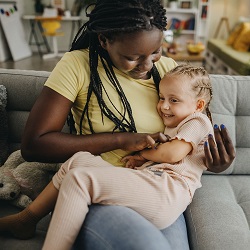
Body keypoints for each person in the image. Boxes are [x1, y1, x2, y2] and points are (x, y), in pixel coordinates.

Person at [0, 0, 235, 249]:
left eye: (155, 51)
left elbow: (195, 131)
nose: (147, 65)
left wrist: (216, 162)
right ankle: (26, 220)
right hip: (106, 185)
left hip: (153, 186)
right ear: (104, 40)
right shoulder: (78, 65)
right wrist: (123, 139)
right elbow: (33, 145)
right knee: (79, 165)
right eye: (132, 57)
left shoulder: (168, 72)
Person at [38, 64, 213, 250]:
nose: (164, 106)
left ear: (199, 105)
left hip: (167, 192)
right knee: (79, 160)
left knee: (80, 179)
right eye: (162, 98)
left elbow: (172, 153)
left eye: (174, 100)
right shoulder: (178, 122)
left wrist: (142, 154)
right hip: (152, 183)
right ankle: (28, 218)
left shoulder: (198, 121)